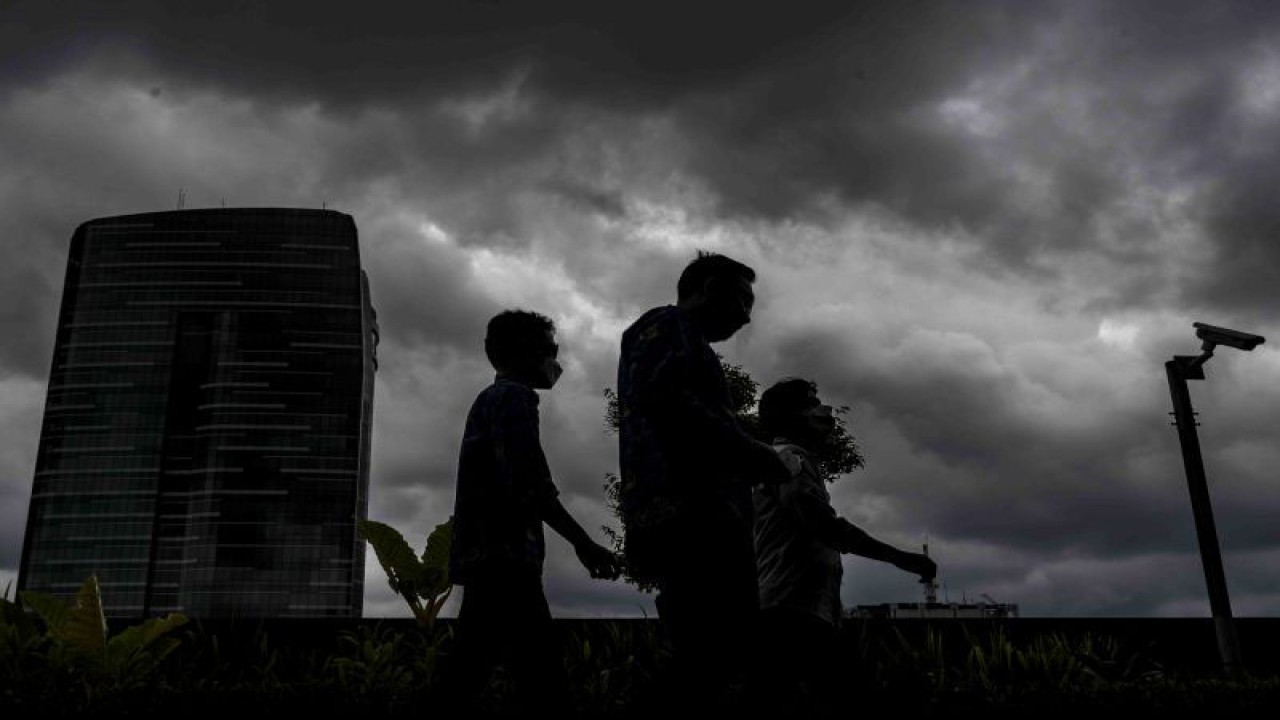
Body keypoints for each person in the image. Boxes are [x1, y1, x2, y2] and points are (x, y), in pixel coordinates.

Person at [616, 251, 796, 710]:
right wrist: (752, 452)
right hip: (691, 514)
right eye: (741, 301)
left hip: (702, 512)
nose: (745, 317)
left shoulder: (689, 344)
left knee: (716, 650)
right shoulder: (666, 325)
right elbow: (668, 402)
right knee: (718, 649)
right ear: (710, 288)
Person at [447, 309, 620, 717]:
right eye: (550, 348)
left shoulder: (489, 399)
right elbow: (529, 483)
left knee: (473, 672)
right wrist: (584, 543)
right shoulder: (514, 398)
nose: (555, 359)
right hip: (505, 562)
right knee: (541, 678)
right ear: (525, 351)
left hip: (487, 561)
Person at [753, 376, 937, 716]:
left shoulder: (783, 460)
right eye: (812, 404)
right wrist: (898, 558)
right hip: (794, 607)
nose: (824, 411)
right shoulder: (790, 461)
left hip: (793, 606)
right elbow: (822, 523)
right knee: (851, 697)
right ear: (793, 416)